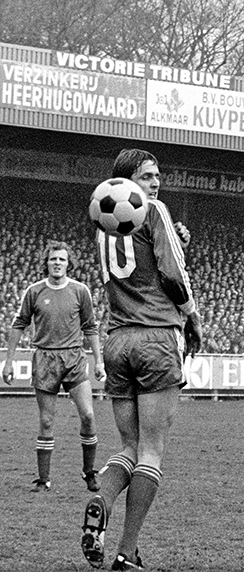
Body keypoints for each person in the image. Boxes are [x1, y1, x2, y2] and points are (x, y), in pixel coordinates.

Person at [81, 148, 202, 571]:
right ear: (127, 182)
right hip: (155, 337)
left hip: (118, 339)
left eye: (156, 177)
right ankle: (126, 551)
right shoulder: (154, 209)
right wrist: (193, 318)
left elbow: (143, 260)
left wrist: (173, 238)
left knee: (129, 447)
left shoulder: (104, 220)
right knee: (152, 449)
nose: (155, 184)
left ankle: (103, 498)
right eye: (147, 176)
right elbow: (172, 273)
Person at [3, 240, 104, 493]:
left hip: (74, 359)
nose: (57, 263)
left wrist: (99, 360)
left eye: (61, 259)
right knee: (46, 421)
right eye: (52, 259)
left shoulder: (80, 291)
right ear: (45, 263)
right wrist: (9, 361)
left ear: (69, 264)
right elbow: (19, 324)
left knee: (89, 416)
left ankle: (89, 472)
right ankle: (43, 479)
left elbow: (90, 327)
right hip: (45, 359)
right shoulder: (34, 291)